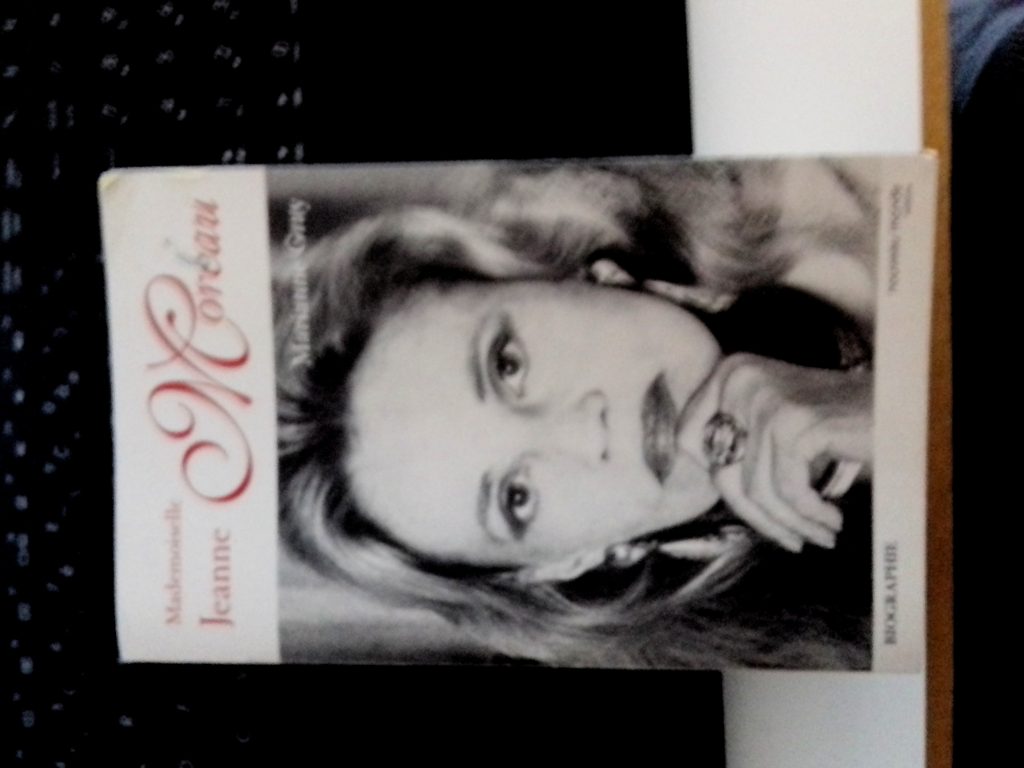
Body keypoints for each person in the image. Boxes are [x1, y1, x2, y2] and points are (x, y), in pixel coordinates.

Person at [274, 158, 876, 669]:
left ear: (567, 273)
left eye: (508, 365)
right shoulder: (822, 662)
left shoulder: (843, 171)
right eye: (516, 497)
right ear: (572, 562)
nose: (586, 432)